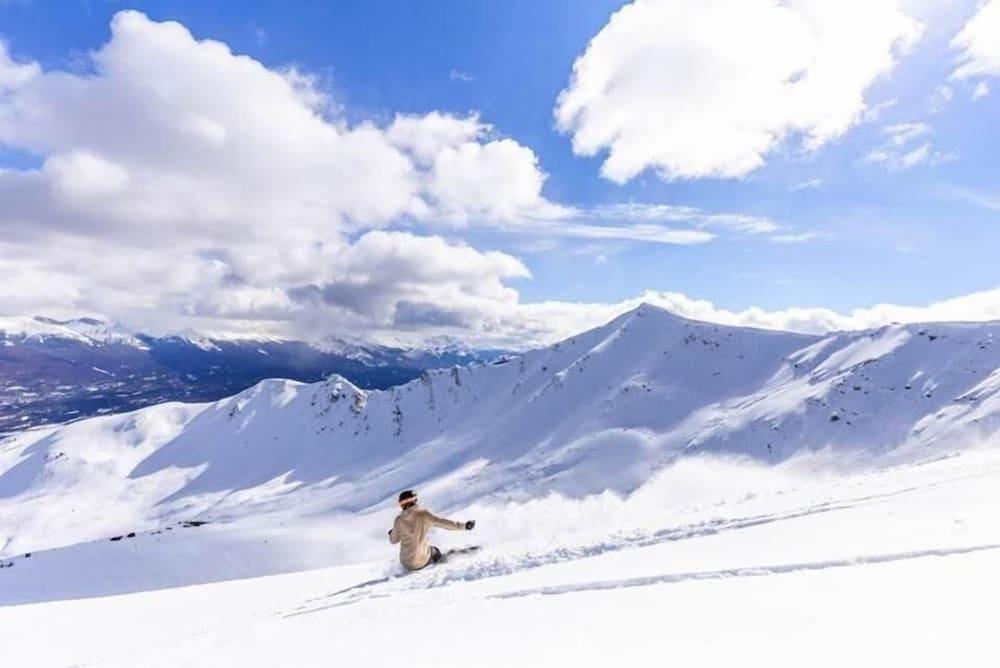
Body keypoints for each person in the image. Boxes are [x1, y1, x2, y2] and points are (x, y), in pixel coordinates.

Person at [388, 490, 474, 570]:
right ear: (414, 501)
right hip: (421, 561)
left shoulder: (398, 520)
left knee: (428, 549)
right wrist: (464, 526)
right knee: (435, 551)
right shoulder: (423, 514)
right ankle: (442, 567)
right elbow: (443, 523)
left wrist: (391, 533)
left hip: (406, 563)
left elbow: (393, 540)